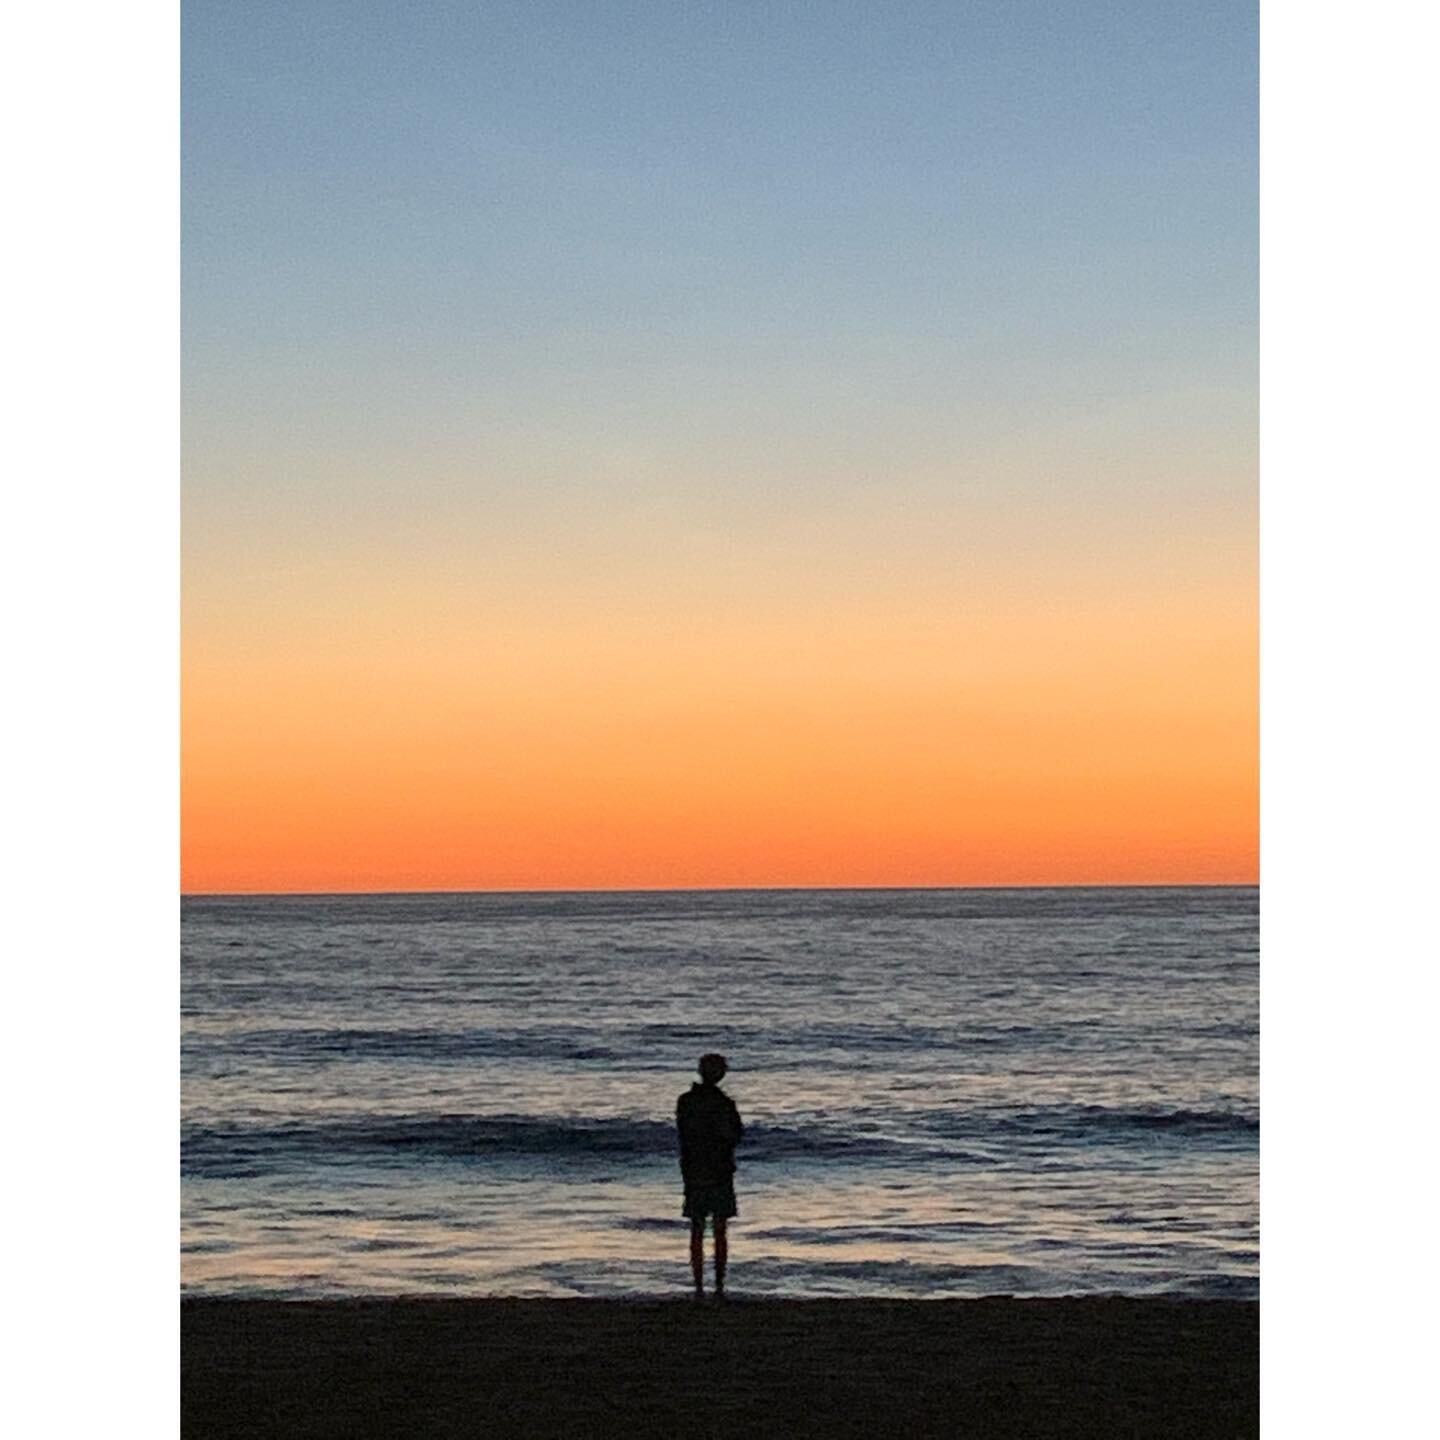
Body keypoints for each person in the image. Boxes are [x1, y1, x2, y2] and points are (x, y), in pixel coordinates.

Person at [676, 1052, 743, 1300]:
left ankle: (699, 1286)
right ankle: (718, 1285)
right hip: (719, 1170)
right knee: (719, 1229)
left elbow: (684, 1136)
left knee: (697, 1228)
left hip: (695, 1170)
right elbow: (736, 1135)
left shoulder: (686, 1101)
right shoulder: (724, 1103)